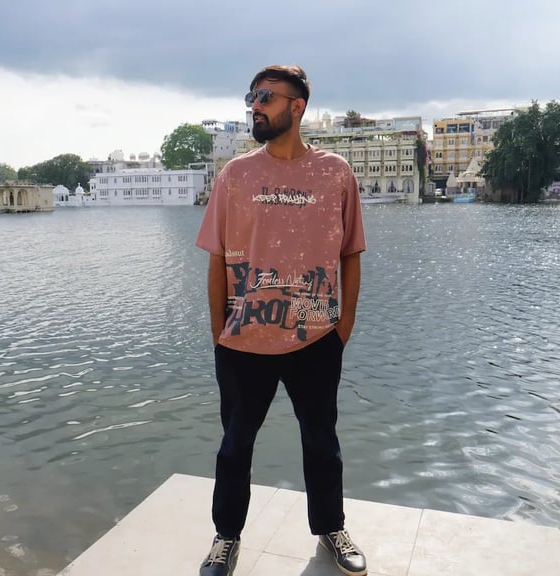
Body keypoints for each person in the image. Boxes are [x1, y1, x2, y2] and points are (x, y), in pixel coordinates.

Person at [195, 64, 367, 576]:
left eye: (266, 96)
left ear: (298, 106)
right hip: (243, 335)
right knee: (234, 446)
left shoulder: (335, 172)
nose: (255, 105)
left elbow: (351, 252)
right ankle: (226, 538)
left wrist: (343, 326)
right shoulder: (236, 175)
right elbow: (216, 259)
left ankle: (331, 528)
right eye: (251, 96)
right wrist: (218, 337)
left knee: (321, 441)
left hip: (316, 330)